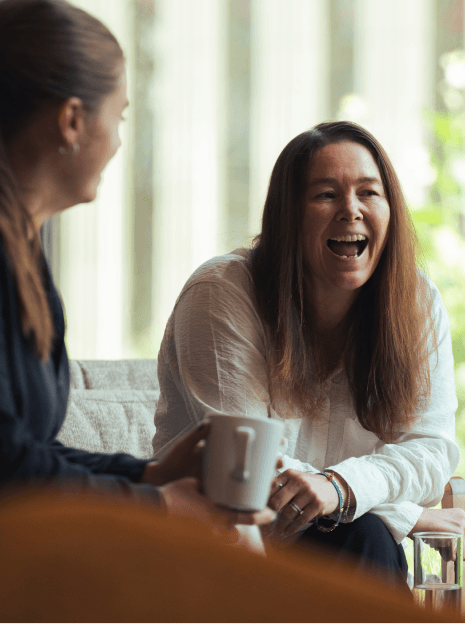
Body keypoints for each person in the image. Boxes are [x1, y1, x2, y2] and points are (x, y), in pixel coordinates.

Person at [153, 120, 465, 591]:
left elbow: (432, 450)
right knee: (363, 536)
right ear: (289, 216)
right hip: (218, 547)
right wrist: (401, 513)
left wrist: (341, 490)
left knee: (359, 535)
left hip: (343, 547)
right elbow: (250, 468)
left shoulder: (416, 302)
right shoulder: (220, 294)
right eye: (325, 195)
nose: (351, 210)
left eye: (368, 192)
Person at [0, 0, 276, 531]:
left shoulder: (25, 252)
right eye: (120, 116)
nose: (120, 140)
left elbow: (29, 455)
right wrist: (158, 506)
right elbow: (8, 469)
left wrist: (148, 475)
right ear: (73, 121)